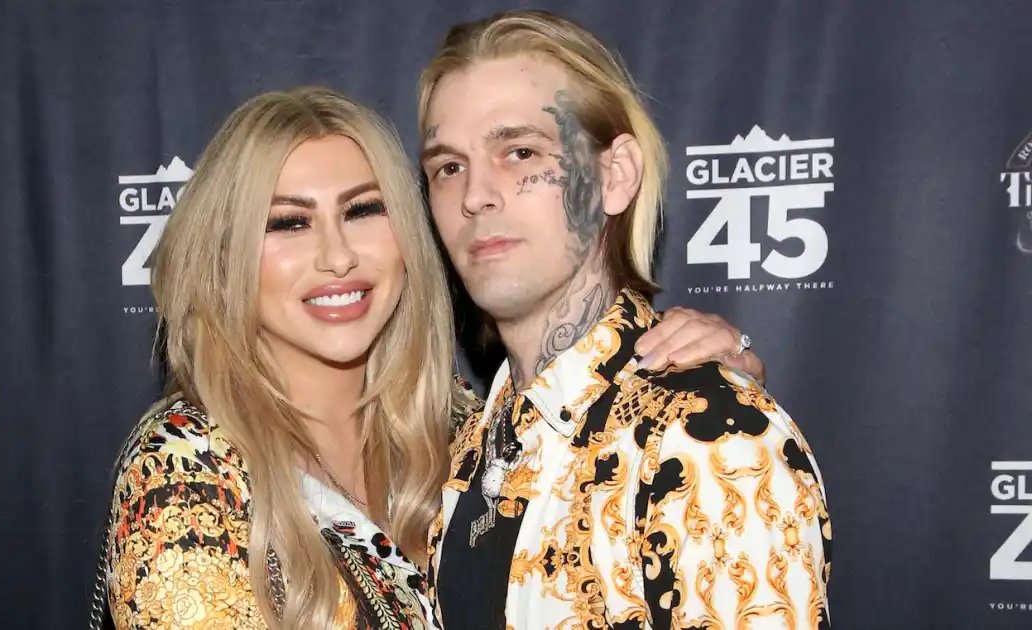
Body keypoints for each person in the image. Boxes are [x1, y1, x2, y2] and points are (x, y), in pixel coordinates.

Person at [102, 88, 763, 628]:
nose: (338, 256)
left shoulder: (462, 427)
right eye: (289, 222)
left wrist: (717, 377)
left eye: (364, 211)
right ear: (222, 259)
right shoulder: (183, 468)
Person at [417, 10, 831, 630]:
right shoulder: (472, 443)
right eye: (448, 167)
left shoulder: (709, 439)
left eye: (521, 152)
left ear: (614, 176)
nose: (475, 195)